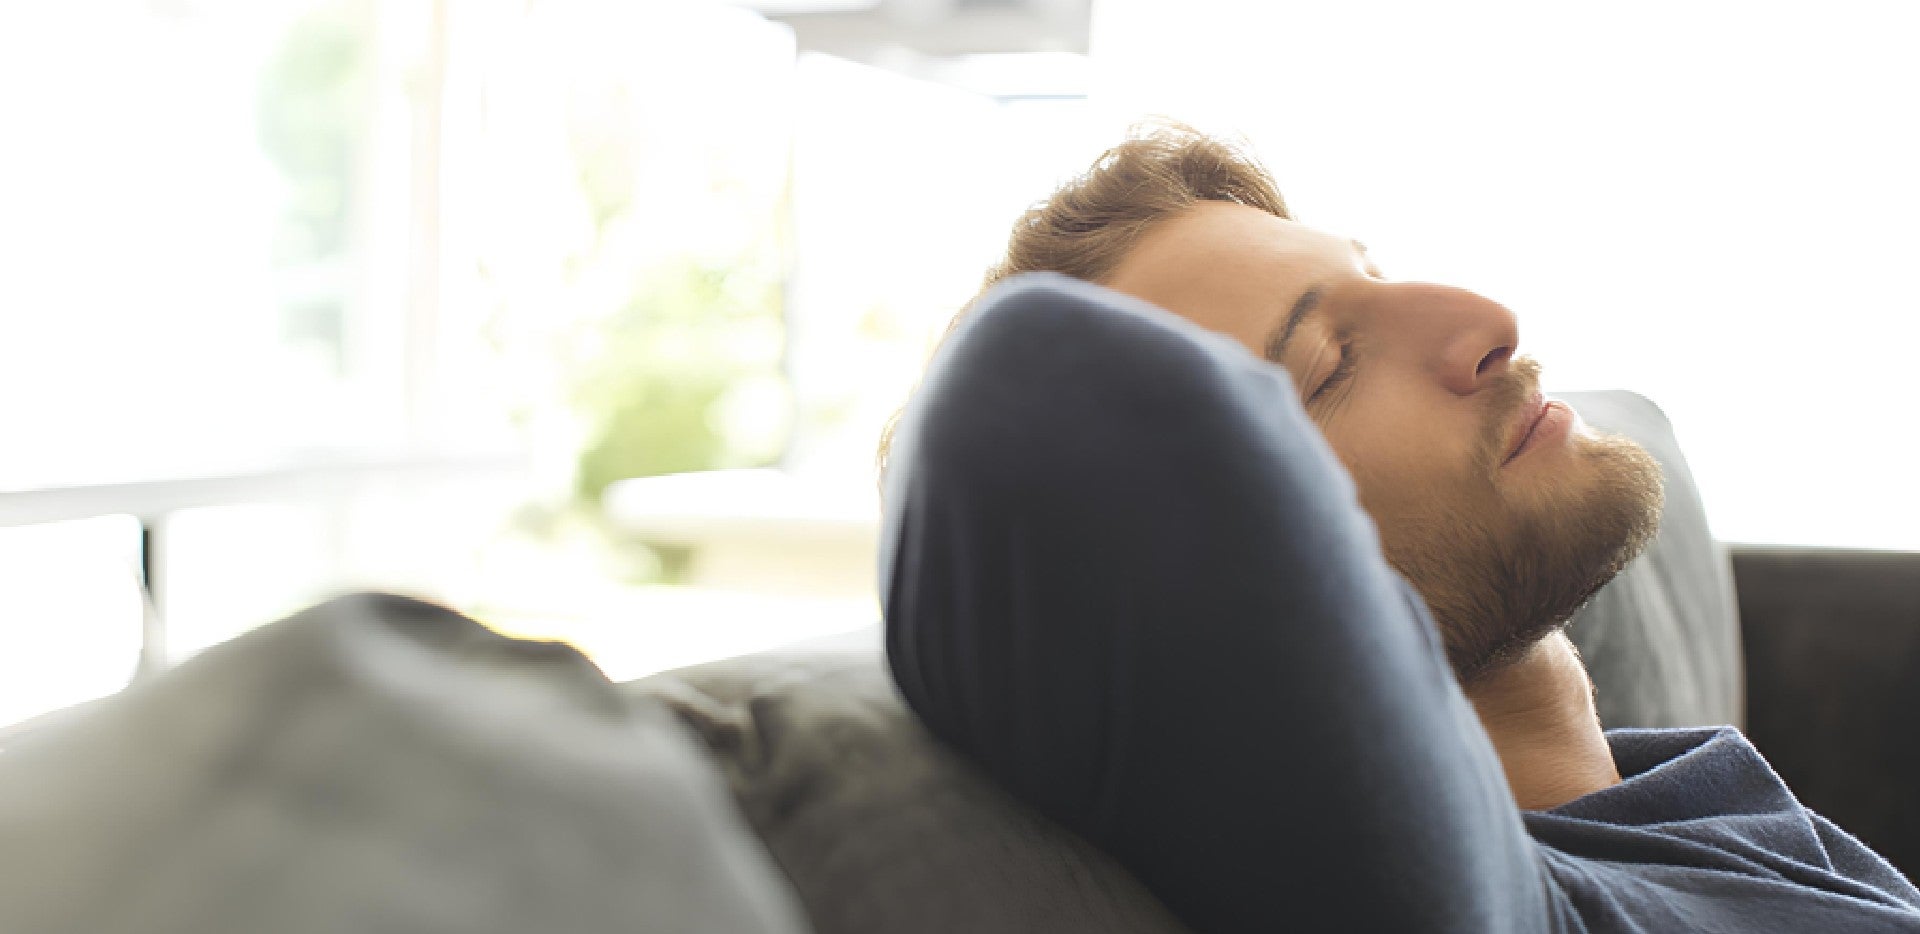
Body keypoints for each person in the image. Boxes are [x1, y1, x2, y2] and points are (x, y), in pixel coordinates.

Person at [877, 124, 1920, 932]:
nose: (1488, 319)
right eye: (1331, 366)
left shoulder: (1681, 801)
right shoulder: (1502, 911)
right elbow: (1024, 376)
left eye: (1372, 274)